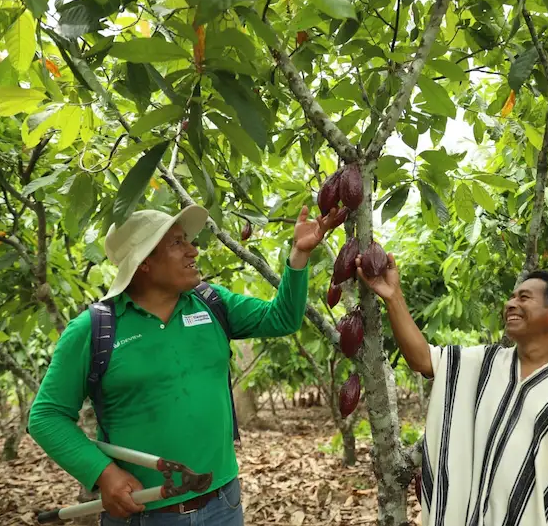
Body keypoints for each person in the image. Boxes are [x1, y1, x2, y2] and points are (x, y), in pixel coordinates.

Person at [29, 203, 341, 525]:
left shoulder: (211, 303)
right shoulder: (94, 329)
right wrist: (105, 474)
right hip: (145, 514)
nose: (193, 250)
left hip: (223, 502)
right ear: (145, 262)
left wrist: (299, 255)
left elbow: (283, 318)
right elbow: (46, 416)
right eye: (177, 243)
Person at [356, 253, 548, 526]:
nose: (511, 303)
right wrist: (393, 296)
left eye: (524, 297)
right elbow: (421, 358)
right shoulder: (483, 364)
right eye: (512, 297)